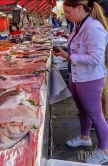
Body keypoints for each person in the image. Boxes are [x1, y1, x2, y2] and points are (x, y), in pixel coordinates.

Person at [52, 0, 108, 164]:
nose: (66, 16)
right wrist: (65, 52)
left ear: (80, 7)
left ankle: (104, 150)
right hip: (76, 75)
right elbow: (78, 48)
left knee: (96, 115)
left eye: (68, 12)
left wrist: (68, 57)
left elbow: (96, 57)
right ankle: (85, 137)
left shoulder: (94, 28)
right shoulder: (78, 26)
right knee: (82, 110)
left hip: (90, 79)